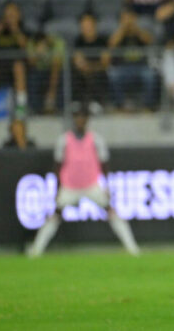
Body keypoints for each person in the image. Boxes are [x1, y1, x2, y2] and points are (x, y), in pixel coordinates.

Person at [27, 102, 139, 257]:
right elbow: (57, 166)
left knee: (111, 211)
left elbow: (104, 165)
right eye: (78, 117)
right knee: (55, 215)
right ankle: (36, 250)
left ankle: (132, 248)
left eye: (83, 117)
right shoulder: (64, 140)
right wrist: (57, 189)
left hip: (91, 185)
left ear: (87, 119)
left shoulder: (96, 139)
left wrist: (106, 186)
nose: (80, 120)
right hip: (70, 186)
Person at [0, 2, 28, 120]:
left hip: (16, 64)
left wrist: (15, 30)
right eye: (8, 14)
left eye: (13, 14)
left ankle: (21, 106)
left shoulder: (22, 28)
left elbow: (26, 48)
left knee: (18, 67)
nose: (10, 17)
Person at [107, 8, 157, 110]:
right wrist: (123, 28)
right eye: (125, 18)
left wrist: (136, 29)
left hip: (141, 67)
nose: (128, 21)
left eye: (130, 18)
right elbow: (111, 44)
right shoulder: (119, 34)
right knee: (113, 75)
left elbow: (150, 40)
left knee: (150, 75)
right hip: (123, 68)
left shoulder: (140, 32)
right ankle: (119, 106)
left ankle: (147, 106)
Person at [72, 13, 110, 110]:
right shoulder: (78, 41)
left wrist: (90, 66)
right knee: (75, 73)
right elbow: (77, 61)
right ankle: (77, 102)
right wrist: (85, 66)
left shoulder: (102, 41)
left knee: (98, 75)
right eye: (83, 25)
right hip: (83, 72)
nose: (86, 27)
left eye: (88, 24)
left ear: (94, 25)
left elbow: (105, 62)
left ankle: (97, 103)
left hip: (99, 71)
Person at [26, 31, 64, 114]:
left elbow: (56, 66)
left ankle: (60, 108)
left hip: (55, 71)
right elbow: (31, 63)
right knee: (32, 77)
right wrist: (38, 54)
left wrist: (52, 90)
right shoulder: (32, 42)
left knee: (62, 78)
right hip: (39, 71)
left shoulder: (57, 43)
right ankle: (34, 109)